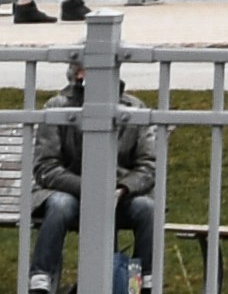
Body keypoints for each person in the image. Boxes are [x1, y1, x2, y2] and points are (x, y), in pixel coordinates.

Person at [18, 86, 149, 294]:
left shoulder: (134, 107)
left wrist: (123, 188)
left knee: (146, 208)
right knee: (60, 205)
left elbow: (148, 165)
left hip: (119, 195)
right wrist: (90, 188)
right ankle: (41, 280)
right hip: (68, 192)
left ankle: (139, 283)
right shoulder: (56, 107)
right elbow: (46, 167)